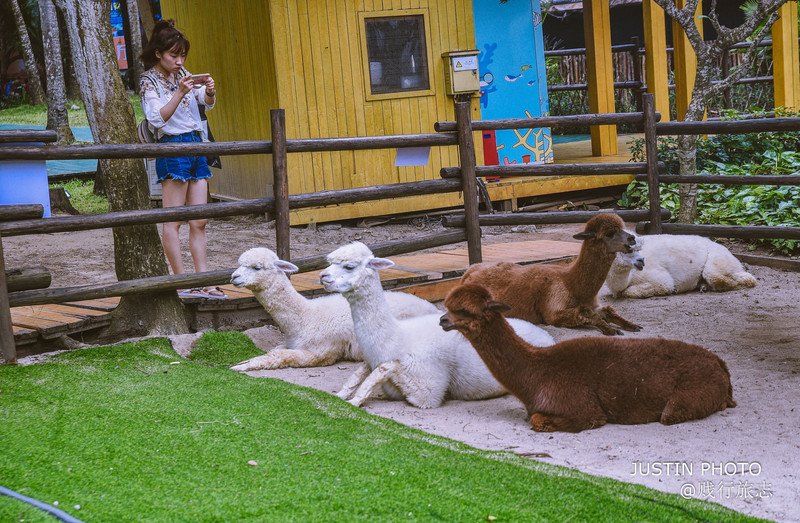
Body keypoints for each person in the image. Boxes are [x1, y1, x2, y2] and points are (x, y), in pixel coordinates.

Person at [139, 19, 225, 299]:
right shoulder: (148, 81)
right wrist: (180, 92)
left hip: (196, 144)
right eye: (174, 55)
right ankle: (181, 282)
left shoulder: (183, 73)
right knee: (173, 221)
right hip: (171, 147)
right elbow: (156, 119)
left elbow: (204, 103)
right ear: (158, 54)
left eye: (182, 55)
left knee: (199, 221)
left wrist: (208, 90)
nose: (179, 61)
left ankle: (206, 280)